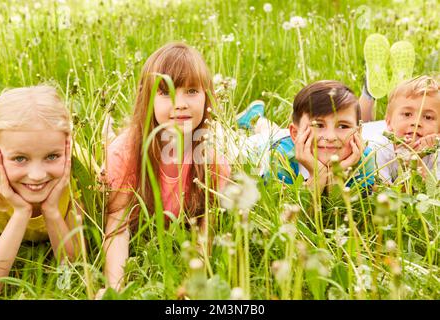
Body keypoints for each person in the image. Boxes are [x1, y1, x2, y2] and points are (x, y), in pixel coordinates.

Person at [99, 42, 231, 295]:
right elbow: (118, 228)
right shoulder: (127, 153)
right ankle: (106, 130)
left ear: (208, 97)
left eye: (191, 91)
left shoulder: (211, 159)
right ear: (145, 98)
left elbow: (206, 229)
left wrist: (195, 282)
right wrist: (115, 289)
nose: (180, 103)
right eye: (165, 92)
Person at [0, 85, 83, 295]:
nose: (37, 175)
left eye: (52, 156)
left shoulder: (75, 176)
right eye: (20, 158)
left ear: (67, 148)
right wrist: (21, 212)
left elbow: (73, 268)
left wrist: (51, 210)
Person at [236, 80, 375, 192]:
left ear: (358, 132)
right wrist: (318, 176)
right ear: (295, 134)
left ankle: (255, 118)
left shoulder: (364, 158)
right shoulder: (280, 159)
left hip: (292, 138)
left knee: (273, 130)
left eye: (343, 126)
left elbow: (342, 212)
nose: (331, 137)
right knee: (264, 134)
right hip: (263, 145)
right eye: (318, 125)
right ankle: (255, 119)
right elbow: (291, 219)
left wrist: (335, 175)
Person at [361, 76, 440, 182]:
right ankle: (369, 92)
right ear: (389, 122)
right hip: (368, 131)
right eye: (407, 114)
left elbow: (433, 194)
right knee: (359, 123)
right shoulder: (377, 150)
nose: (416, 123)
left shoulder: (436, 153)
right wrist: (412, 164)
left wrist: (418, 164)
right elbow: (382, 194)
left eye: (428, 117)